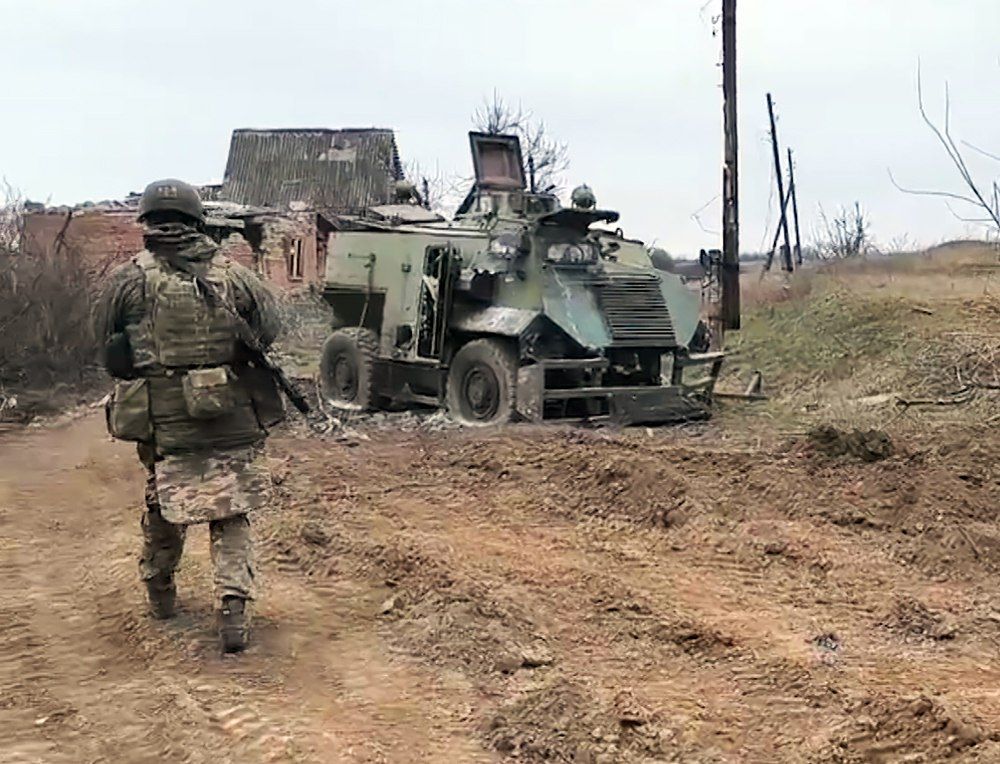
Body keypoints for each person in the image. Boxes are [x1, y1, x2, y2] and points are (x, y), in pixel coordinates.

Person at [94, 179, 283, 653]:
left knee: (165, 503)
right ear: (198, 221)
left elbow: (105, 343)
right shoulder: (235, 276)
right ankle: (234, 604)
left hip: (164, 419)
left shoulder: (128, 279)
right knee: (231, 508)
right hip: (231, 412)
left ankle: (159, 591)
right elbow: (269, 329)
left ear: (148, 222)